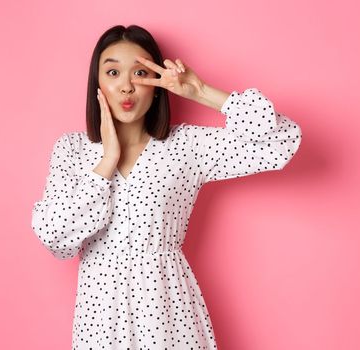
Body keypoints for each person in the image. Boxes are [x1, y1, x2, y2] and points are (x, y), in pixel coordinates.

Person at [31, 24, 302, 349]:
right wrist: (107, 162)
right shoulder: (73, 150)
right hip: (99, 315)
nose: (127, 86)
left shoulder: (185, 146)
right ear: (98, 84)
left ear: (157, 86)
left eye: (141, 73)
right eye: (113, 72)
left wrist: (200, 91)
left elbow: (282, 140)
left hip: (167, 309)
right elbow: (54, 237)